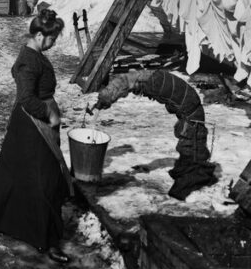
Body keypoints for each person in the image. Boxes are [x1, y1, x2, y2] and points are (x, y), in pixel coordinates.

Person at [0, 7, 71, 263]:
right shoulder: (29, 61)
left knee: (17, 175)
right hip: (32, 126)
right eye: (51, 39)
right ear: (40, 36)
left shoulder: (33, 54)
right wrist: (48, 113)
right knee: (45, 180)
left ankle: (5, 220)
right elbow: (26, 98)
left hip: (29, 124)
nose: (53, 43)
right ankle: (47, 239)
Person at [83, 69, 217, 200]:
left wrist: (103, 101)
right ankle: (191, 166)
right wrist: (104, 101)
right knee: (191, 135)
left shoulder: (142, 80)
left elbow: (121, 85)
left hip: (190, 107)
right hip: (188, 103)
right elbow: (122, 85)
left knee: (191, 136)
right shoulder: (142, 79)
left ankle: (192, 171)